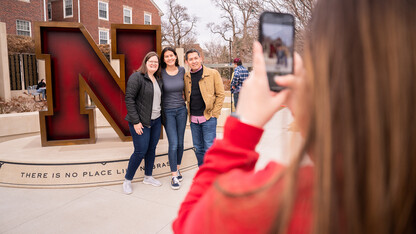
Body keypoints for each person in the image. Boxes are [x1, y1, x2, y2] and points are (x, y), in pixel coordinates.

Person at [173, 0, 416, 233]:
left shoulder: (283, 202)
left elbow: (190, 221)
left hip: (210, 118)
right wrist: (314, 120)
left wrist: (243, 124)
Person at [123, 51, 163, 194]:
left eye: (156, 62)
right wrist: (136, 121)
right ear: (145, 62)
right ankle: (127, 180)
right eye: (151, 61)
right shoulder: (137, 77)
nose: (153, 64)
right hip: (141, 122)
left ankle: (148, 176)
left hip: (156, 120)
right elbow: (129, 99)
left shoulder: (158, 79)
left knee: (151, 149)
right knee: (140, 151)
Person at [184, 49, 225, 166]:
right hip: (193, 120)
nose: (194, 61)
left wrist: (214, 114)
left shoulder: (213, 73)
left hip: (209, 119)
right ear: (187, 62)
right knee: (198, 148)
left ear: (201, 58)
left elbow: (220, 94)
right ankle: (202, 172)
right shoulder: (186, 76)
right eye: (190, 59)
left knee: (210, 148)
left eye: (196, 58)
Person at [160, 47, 187, 190]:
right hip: (168, 112)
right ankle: (173, 176)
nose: (169, 58)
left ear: (176, 56)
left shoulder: (182, 70)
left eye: (171, 55)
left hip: (182, 110)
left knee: (181, 143)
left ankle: (177, 168)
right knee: (174, 143)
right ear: (163, 59)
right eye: (166, 56)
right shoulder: (161, 73)